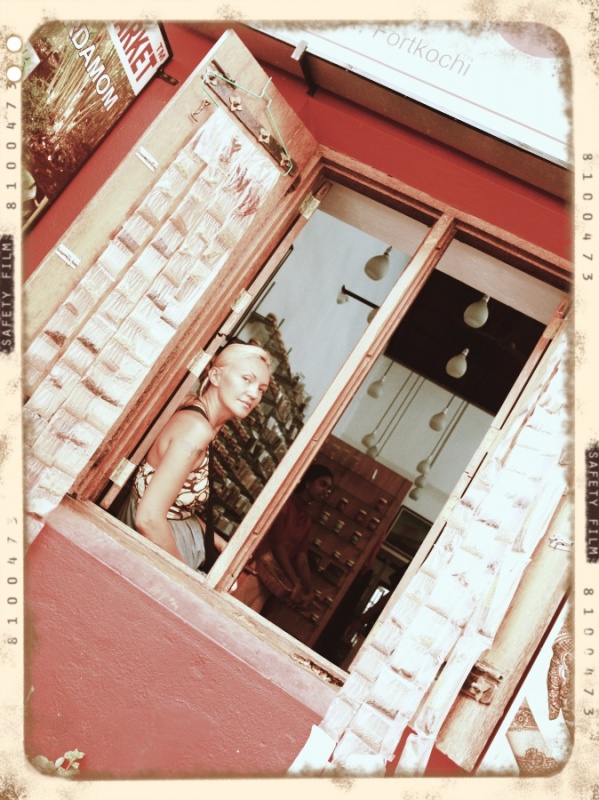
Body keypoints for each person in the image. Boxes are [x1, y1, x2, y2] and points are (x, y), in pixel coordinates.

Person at [117, 342, 271, 571]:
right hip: (150, 559)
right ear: (216, 376)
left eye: (261, 389)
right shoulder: (196, 430)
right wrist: (184, 579)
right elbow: (148, 518)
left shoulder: (202, 421)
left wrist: (218, 541)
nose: (253, 394)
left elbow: (174, 504)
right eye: (246, 379)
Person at [233, 463, 334, 613]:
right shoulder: (284, 503)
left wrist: (309, 591)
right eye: (323, 484)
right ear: (308, 483)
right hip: (253, 569)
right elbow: (277, 546)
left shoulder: (306, 519)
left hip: (271, 580)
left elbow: (301, 558)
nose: (326, 491)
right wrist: (295, 582)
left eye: (329, 488)